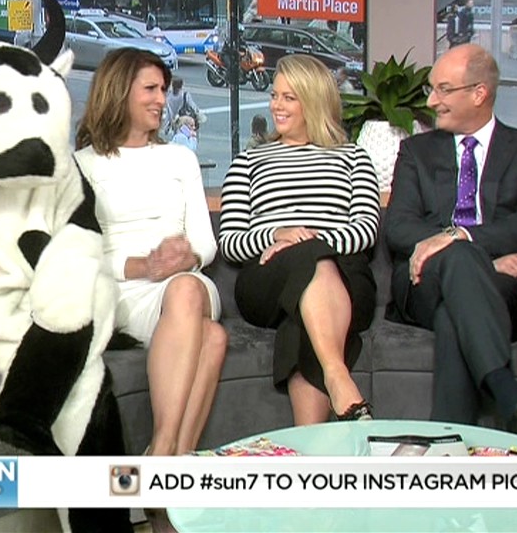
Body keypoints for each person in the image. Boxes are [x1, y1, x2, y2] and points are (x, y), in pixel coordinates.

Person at [384, 43, 517, 447]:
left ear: (479, 93)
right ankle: (514, 403)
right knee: (459, 263)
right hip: (424, 283)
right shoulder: (417, 151)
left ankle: (447, 449)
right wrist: (479, 258)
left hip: (503, 289)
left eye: (443, 89)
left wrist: (463, 239)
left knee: (453, 315)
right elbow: (399, 227)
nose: (431, 101)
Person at [73, 48, 227, 463]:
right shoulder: (82, 165)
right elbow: (79, 253)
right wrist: (144, 266)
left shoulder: (180, 158)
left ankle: (159, 450)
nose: (162, 99)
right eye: (151, 89)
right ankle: (176, 463)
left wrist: (184, 259)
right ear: (119, 91)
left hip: (186, 284)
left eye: (163, 89)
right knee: (213, 338)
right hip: (122, 290)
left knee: (186, 290)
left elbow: (205, 243)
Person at [219, 54, 381, 425]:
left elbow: (365, 230)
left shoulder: (354, 157)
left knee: (301, 323)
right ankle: (338, 376)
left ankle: (311, 447)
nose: (276, 105)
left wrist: (310, 243)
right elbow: (230, 242)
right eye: (275, 96)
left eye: (288, 97)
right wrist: (277, 235)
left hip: (345, 278)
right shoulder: (248, 161)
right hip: (268, 278)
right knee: (305, 262)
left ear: (313, 100)